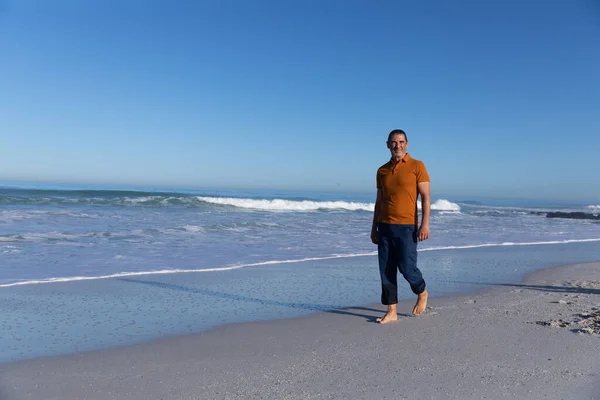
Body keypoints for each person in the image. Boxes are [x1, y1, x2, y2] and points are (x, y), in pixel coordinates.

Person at [370, 129, 431, 324]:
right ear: (387, 144)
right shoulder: (382, 170)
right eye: (394, 142)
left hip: (406, 227)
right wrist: (373, 228)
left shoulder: (417, 166)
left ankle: (421, 292)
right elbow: (379, 202)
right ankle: (391, 311)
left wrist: (424, 225)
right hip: (384, 226)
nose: (398, 145)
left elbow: (426, 198)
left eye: (401, 142)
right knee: (386, 270)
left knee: (407, 267)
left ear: (407, 144)